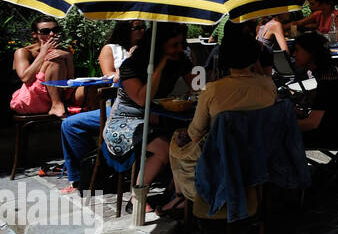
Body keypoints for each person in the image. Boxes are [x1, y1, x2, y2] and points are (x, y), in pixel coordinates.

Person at [166, 30, 279, 215]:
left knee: (177, 137)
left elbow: (195, 134)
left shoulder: (213, 90)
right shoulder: (269, 85)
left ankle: (182, 197)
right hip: (261, 152)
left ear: (224, 57)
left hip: (222, 157)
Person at [102, 23, 191, 200]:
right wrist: (159, 66)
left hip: (158, 118)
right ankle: (137, 198)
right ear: (159, 45)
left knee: (188, 139)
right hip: (125, 123)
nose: (179, 49)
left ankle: (177, 195)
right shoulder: (131, 66)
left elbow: (199, 84)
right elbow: (142, 99)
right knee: (165, 147)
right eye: (174, 45)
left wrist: (194, 68)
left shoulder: (179, 60)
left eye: (182, 44)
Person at [59, 21, 149, 194]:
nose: (141, 31)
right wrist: (129, 61)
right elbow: (109, 76)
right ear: (124, 29)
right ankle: (81, 177)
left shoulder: (151, 52)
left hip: (136, 107)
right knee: (70, 125)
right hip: (117, 103)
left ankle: (96, 173)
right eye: (136, 28)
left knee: (71, 124)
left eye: (143, 27)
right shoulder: (112, 49)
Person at [291, 32, 338, 151]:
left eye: (297, 50)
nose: (293, 55)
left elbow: (312, 123)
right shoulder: (329, 72)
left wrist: (282, 124)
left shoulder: (328, 79)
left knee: (279, 136)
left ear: (311, 52)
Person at [10, 17, 81, 117]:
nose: (52, 34)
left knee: (90, 90)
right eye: (45, 31)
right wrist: (43, 54)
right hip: (29, 99)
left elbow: (69, 79)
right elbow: (26, 78)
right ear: (34, 34)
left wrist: (68, 57)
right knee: (54, 60)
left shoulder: (61, 52)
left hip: (57, 93)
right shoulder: (24, 52)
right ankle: (56, 104)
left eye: (55, 30)